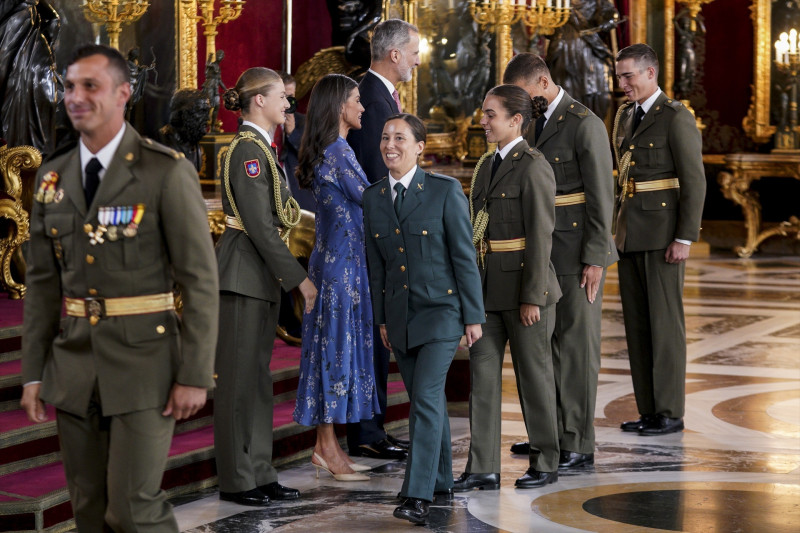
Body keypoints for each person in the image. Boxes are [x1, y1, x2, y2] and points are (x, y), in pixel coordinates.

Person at [19, 43, 219, 532]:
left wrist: (195, 372)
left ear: (124, 94)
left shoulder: (164, 171)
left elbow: (199, 279)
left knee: (133, 507)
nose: (76, 96)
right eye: (69, 86)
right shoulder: (52, 177)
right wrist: (32, 370)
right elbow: (43, 283)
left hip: (144, 366)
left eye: (91, 85)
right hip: (73, 366)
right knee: (88, 510)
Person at [363, 113, 484, 525]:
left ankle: (416, 494)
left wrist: (473, 316)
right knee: (423, 401)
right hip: (400, 319)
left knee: (428, 400)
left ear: (419, 147)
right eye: (384, 137)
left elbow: (464, 258)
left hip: (442, 315)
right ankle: (443, 480)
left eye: (400, 138)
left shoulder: (444, 192)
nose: (389, 144)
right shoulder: (374, 197)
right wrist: (381, 319)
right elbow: (376, 268)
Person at [502, 54, 617, 468]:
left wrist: (596, 258)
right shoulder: (532, 122)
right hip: (541, 251)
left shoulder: (584, 123)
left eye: (525, 94)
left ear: (544, 81)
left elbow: (603, 196)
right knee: (541, 347)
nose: (521, 104)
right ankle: (547, 436)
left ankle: (578, 442)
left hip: (574, 253)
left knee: (574, 349)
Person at [214, 67, 318, 506]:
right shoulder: (247, 151)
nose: (287, 104)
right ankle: (238, 479)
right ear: (258, 100)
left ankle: (259, 470)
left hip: (257, 275)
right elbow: (259, 225)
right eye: (281, 96)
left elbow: (283, 214)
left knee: (256, 382)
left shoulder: (261, 147)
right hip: (243, 274)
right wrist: (300, 281)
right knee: (238, 383)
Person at [455, 85, 562, 493]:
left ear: (515, 120)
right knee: (481, 378)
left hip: (524, 290)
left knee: (534, 379)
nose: (483, 121)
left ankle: (546, 460)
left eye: (490, 115)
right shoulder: (485, 165)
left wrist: (532, 295)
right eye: (484, 114)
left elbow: (541, 235)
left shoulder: (533, 165)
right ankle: (482, 467)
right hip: (487, 290)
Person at [613, 44, 705, 436]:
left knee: (665, 327)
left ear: (650, 73)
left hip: (664, 235)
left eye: (628, 76)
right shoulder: (623, 116)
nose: (622, 84)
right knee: (637, 327)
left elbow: (694, 180)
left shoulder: (676, 116)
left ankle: (670, 410)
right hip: (630, 234)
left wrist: (684, 237)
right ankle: (648, 409)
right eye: (619, 77)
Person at [292, 73, 377, 481]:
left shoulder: (336, 148)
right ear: (339, 106)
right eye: (357, 100)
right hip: (340, 270)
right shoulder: (338, 151)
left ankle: (328, 445)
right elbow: (372, 200)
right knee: (334, 352)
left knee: (335, 349)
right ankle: (326, 446)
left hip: (340, 264)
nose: (362, 107)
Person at [346, 18, 421, 461]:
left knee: (380, 333)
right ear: (394, 55)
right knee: (375, 333)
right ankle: (367, 431)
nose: (415, 60)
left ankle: (373, 427)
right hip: (373, 238)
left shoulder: (379, 95)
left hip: (377, 235)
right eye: (413, 52)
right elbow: (379, 174)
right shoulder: (373, 101)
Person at [276, 71, 315, 211]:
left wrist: (293, 133)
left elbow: (313, 158)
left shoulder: (304, 122)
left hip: (299, 198)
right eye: (282, 97)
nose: (287, 103)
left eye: (290, 97)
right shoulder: (267, 123)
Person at [202, 50, 227, 132]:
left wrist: (225, 89)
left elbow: (219, 80)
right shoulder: (212, 64)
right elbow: (207, 64)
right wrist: (210, 57)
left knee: (217, 106)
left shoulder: (218, 68)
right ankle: (203, 126)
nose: (220, 57)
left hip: (215, 88)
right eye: (219, 55)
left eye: (221, 56)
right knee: (209, 106)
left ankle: (212, 127)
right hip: (209, 86)